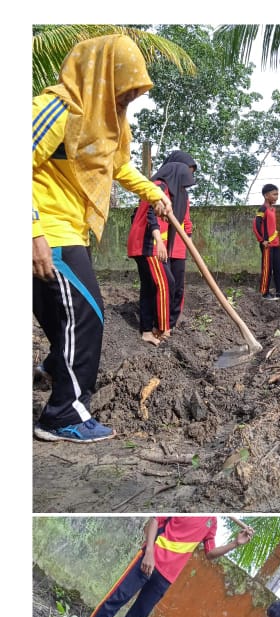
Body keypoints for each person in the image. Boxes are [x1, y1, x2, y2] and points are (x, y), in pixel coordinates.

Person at [33, 34, 173, 444]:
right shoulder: (56, 108)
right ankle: (63, 416)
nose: (124, 104)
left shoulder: (106, 125)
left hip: (67, 231)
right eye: (120, 93)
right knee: (89, 314)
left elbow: (119, 168)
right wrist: (32, 230)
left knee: (64, 318)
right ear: (97, 77)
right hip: (48, 231)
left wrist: (154, 193)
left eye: (131, 96)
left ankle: (55, 371)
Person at [83, 516, 254, 617]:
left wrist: (236, 543)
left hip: (167, 576)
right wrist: (149, 551)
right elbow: (155, 520)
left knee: (139, 614)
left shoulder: (212, 522)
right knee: (119, 596)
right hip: (150, 558)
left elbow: (210, 553)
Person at [126, 154, 195, 345]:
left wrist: (187, 240)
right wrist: (158, 240)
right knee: (165, 284)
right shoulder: (159, 186)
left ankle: (149, 330)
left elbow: (184, 222)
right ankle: (161, 328)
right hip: (148, 244)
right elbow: (150, 214)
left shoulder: (175, 192)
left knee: (152, 287)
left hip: (154, 244)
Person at [253, 183, 280, 300]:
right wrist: (262, 240)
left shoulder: (273, 209)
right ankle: (264, 292)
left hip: (275, 244)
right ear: (266, 196)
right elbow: (256, 224)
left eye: (277, 194)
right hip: (267, 244)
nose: (276, 197)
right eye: (274, 194)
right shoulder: (263, 209)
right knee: (267, 268)